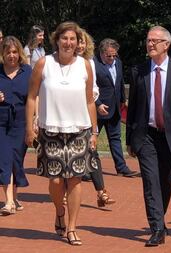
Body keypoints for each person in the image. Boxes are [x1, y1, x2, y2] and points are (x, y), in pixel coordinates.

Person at [25, 21, 98, 246]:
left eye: (73, 39)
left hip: (79, 131)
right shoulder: (43, 63)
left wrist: (94, 131)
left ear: (78, 42)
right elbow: (31, 96)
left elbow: (89, 100)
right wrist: (30, 127)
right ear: (57, 40)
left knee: (75, 180)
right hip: (51, 130)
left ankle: (72, 227)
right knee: (56, 181)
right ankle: (59, 210)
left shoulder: (85, 65)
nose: (68, 43)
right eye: (64, 38)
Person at [126, 26, 171, 246]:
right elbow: (133, 107)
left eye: (155, 40)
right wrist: (130, 140)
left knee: (166, 180)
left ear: (167, 44)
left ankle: (159, 219)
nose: (150, 44)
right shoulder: (138, 71)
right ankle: (156, 228)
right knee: (150, 181)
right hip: (146, 136)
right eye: (148, 40)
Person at [74, 28, 115, 207]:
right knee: (71, 154)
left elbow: (94, 89)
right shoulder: (59, 62)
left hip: (86, 112)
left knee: (93, 152)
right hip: (67, 115)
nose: (81, 45)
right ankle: (65, 192)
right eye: (78, 41)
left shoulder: (89, 63)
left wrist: (96, 104)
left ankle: (101, 193)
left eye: (83, 41)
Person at [94, 38, 138, 177]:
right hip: (97, 109)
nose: (112, 58)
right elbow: (89, 88)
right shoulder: (93, 64)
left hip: (114, 108)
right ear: (101, 53)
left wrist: (123, 99)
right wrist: (98, 104)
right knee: (91, 140)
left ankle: (121, 167)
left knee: (115, 138)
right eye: (109, 56)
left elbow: (119, 82)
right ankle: (90, 169)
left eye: (114, 55)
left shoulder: (118, 62)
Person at [0, 36, 31, 215]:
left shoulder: (27, 71)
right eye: (7, 52)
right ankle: (9, 201)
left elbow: (35, 97)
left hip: (21, 121)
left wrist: (34, 120)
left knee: (16, 161)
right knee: (5, 159)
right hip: (1, 121)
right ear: (2, 54)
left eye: (14, 52)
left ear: (19, 53)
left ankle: (15, 197)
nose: (11, 56)